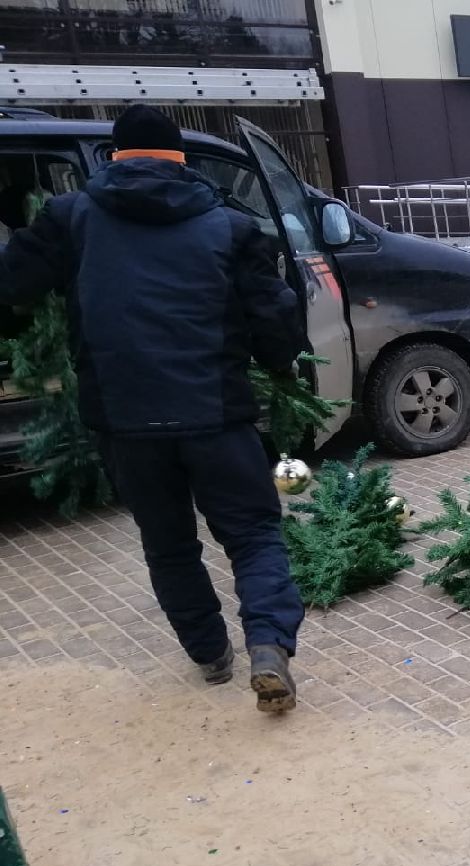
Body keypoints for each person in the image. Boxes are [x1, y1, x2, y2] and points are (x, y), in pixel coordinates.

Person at [0, 104, 308, 713]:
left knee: (168, 546)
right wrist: (279, 362)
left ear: (114, 155)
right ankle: (268, 646)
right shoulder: (228, 226)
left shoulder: (71, 217)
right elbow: (275, 318)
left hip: (126, 422)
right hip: (216, 415)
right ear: (180, 158)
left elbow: (12, 285)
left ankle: (210, 655)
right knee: (253, 536)